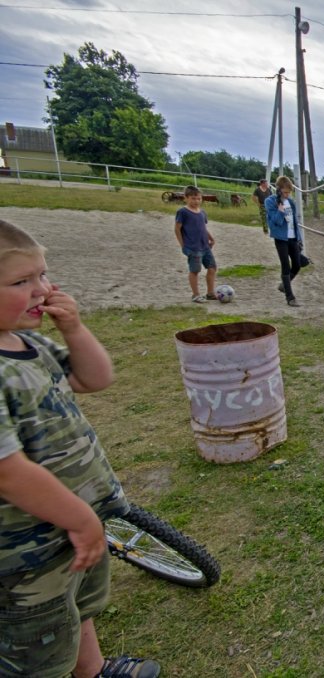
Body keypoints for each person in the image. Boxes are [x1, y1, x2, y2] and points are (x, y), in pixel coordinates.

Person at [0, 219, 161, 677]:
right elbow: (7, 471)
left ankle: (92, 670)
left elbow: (96, 378)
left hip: (70, 531)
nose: (42, 290)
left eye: (43, 275)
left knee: (75, 608)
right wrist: (82, 519)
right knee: (38, 650)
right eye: (21, 281)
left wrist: (73, 328)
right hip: (23, 550)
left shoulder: (29, 344)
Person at [173, 185, 218, 304]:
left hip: (205, 246)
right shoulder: (183, 212)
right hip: (193, 247)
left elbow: (203, 227)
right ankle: (196, 295)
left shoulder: (202, 212)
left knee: (212, 268)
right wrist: (182, 245)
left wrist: (211, 238)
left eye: (199, 198)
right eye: (193, 198)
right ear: (186, 198)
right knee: (195, 270)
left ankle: (210, 293)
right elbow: (177, 229)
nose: (196, 201)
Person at [264, 176, 303, 307]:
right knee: (285, 265)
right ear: (279, 190)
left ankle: (284, 285)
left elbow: (294, 222)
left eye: (289, 192)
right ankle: (290, 297)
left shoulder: (291, 203)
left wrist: (299, 239)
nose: (287, 195)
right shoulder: (270, 202)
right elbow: (276, 221)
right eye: (285, 192)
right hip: (281, 238)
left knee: (297, 265)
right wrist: (280, 210)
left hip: (292, 237)